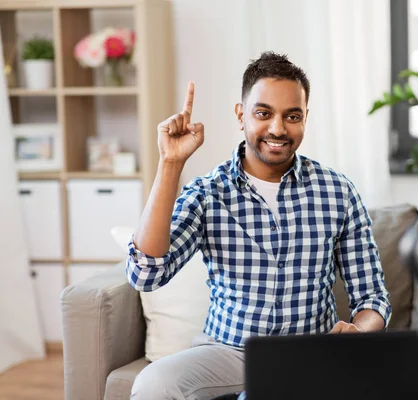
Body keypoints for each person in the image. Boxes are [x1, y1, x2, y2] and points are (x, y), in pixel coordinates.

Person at [127, 51, 392, 400]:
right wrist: (170, 163)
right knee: (153, 384)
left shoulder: (338, 192)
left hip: (309, 356)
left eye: (292, 116)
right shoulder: (208, 192)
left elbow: (372, 297)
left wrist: (359, 330)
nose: (278, 129)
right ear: (241, 115)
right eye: (263, 113)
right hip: (228, 352)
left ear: (305, 118)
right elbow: (146, 275)